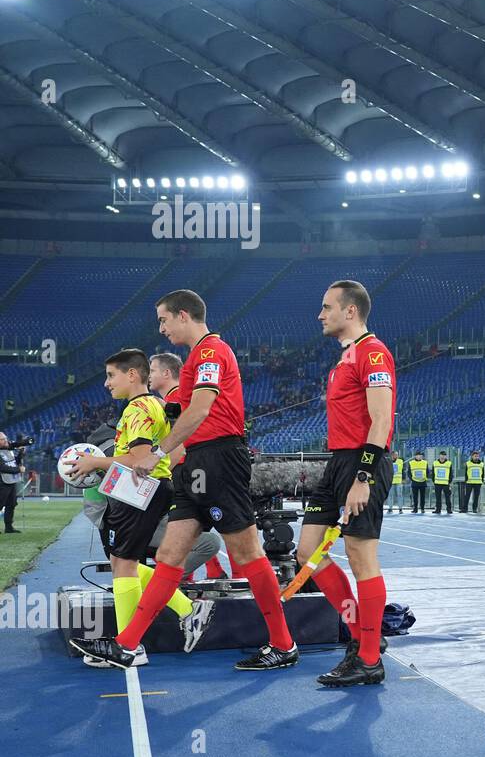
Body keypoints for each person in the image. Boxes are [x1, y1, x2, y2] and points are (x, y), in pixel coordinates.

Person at [72, 289, 299, 671]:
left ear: (182, 315)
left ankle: (283, 643)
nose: (161, 328)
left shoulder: (211, 351)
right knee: (168, 556)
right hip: (197, 462)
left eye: (163, 319)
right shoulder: (198, 358)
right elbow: (186, 412)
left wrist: (158, 453)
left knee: (247, 555)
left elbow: (202, 410)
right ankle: (127, 645)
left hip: (220, 459)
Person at [66, 350, 216, 666]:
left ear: (132, 375)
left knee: (123, 564)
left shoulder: (138, 409)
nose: (107, 383)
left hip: (137, 491)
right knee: (123, 560)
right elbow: (173, 454)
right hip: (147, 490)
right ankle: (169, 619)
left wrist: (95, 462)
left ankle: (129, 647)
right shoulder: (155, 405)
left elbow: (137, 460)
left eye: (111, 375)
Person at [294, 280, 396, 686]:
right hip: (337, 461)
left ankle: (368, 659)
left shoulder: (373, 352)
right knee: (307, 552)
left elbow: (382, 419)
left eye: (326, 307)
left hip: (362, 463)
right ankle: (362, 634)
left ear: (349, 311)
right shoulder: (346, 358)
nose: (320, 315)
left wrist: (363, 477)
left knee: (360, 557)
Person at [150, 350, 232, 582]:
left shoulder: (176, 399)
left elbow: (181, 444)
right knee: (203, 526)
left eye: (153, 370)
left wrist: (158, 471)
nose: (149, 375)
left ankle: (181, 580)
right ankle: (214, 572)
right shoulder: (175, 398)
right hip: (197, 468)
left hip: (187, 471)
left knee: (186, 528)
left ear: (167, 373)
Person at [0, 431, 21, 533]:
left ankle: (9, 527)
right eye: (2, 439)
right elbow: (2, 468)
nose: (5, 440)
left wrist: (21, 453)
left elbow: (15, 462)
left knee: (11, 504)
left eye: (5, 438)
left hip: (11, 480)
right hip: (1, 482)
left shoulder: (9, 449)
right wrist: (18, 470)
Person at [387, 449, 405, 514]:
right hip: (390, 481)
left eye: (397, 455)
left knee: (399, 495)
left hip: (398, 481)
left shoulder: (400, 461)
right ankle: (390, 508)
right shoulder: (388, 461)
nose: (396, 456)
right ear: (392, 455)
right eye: (395, 455)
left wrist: (403, 479)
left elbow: (403, 470)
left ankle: (400, 509)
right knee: (390, 495)